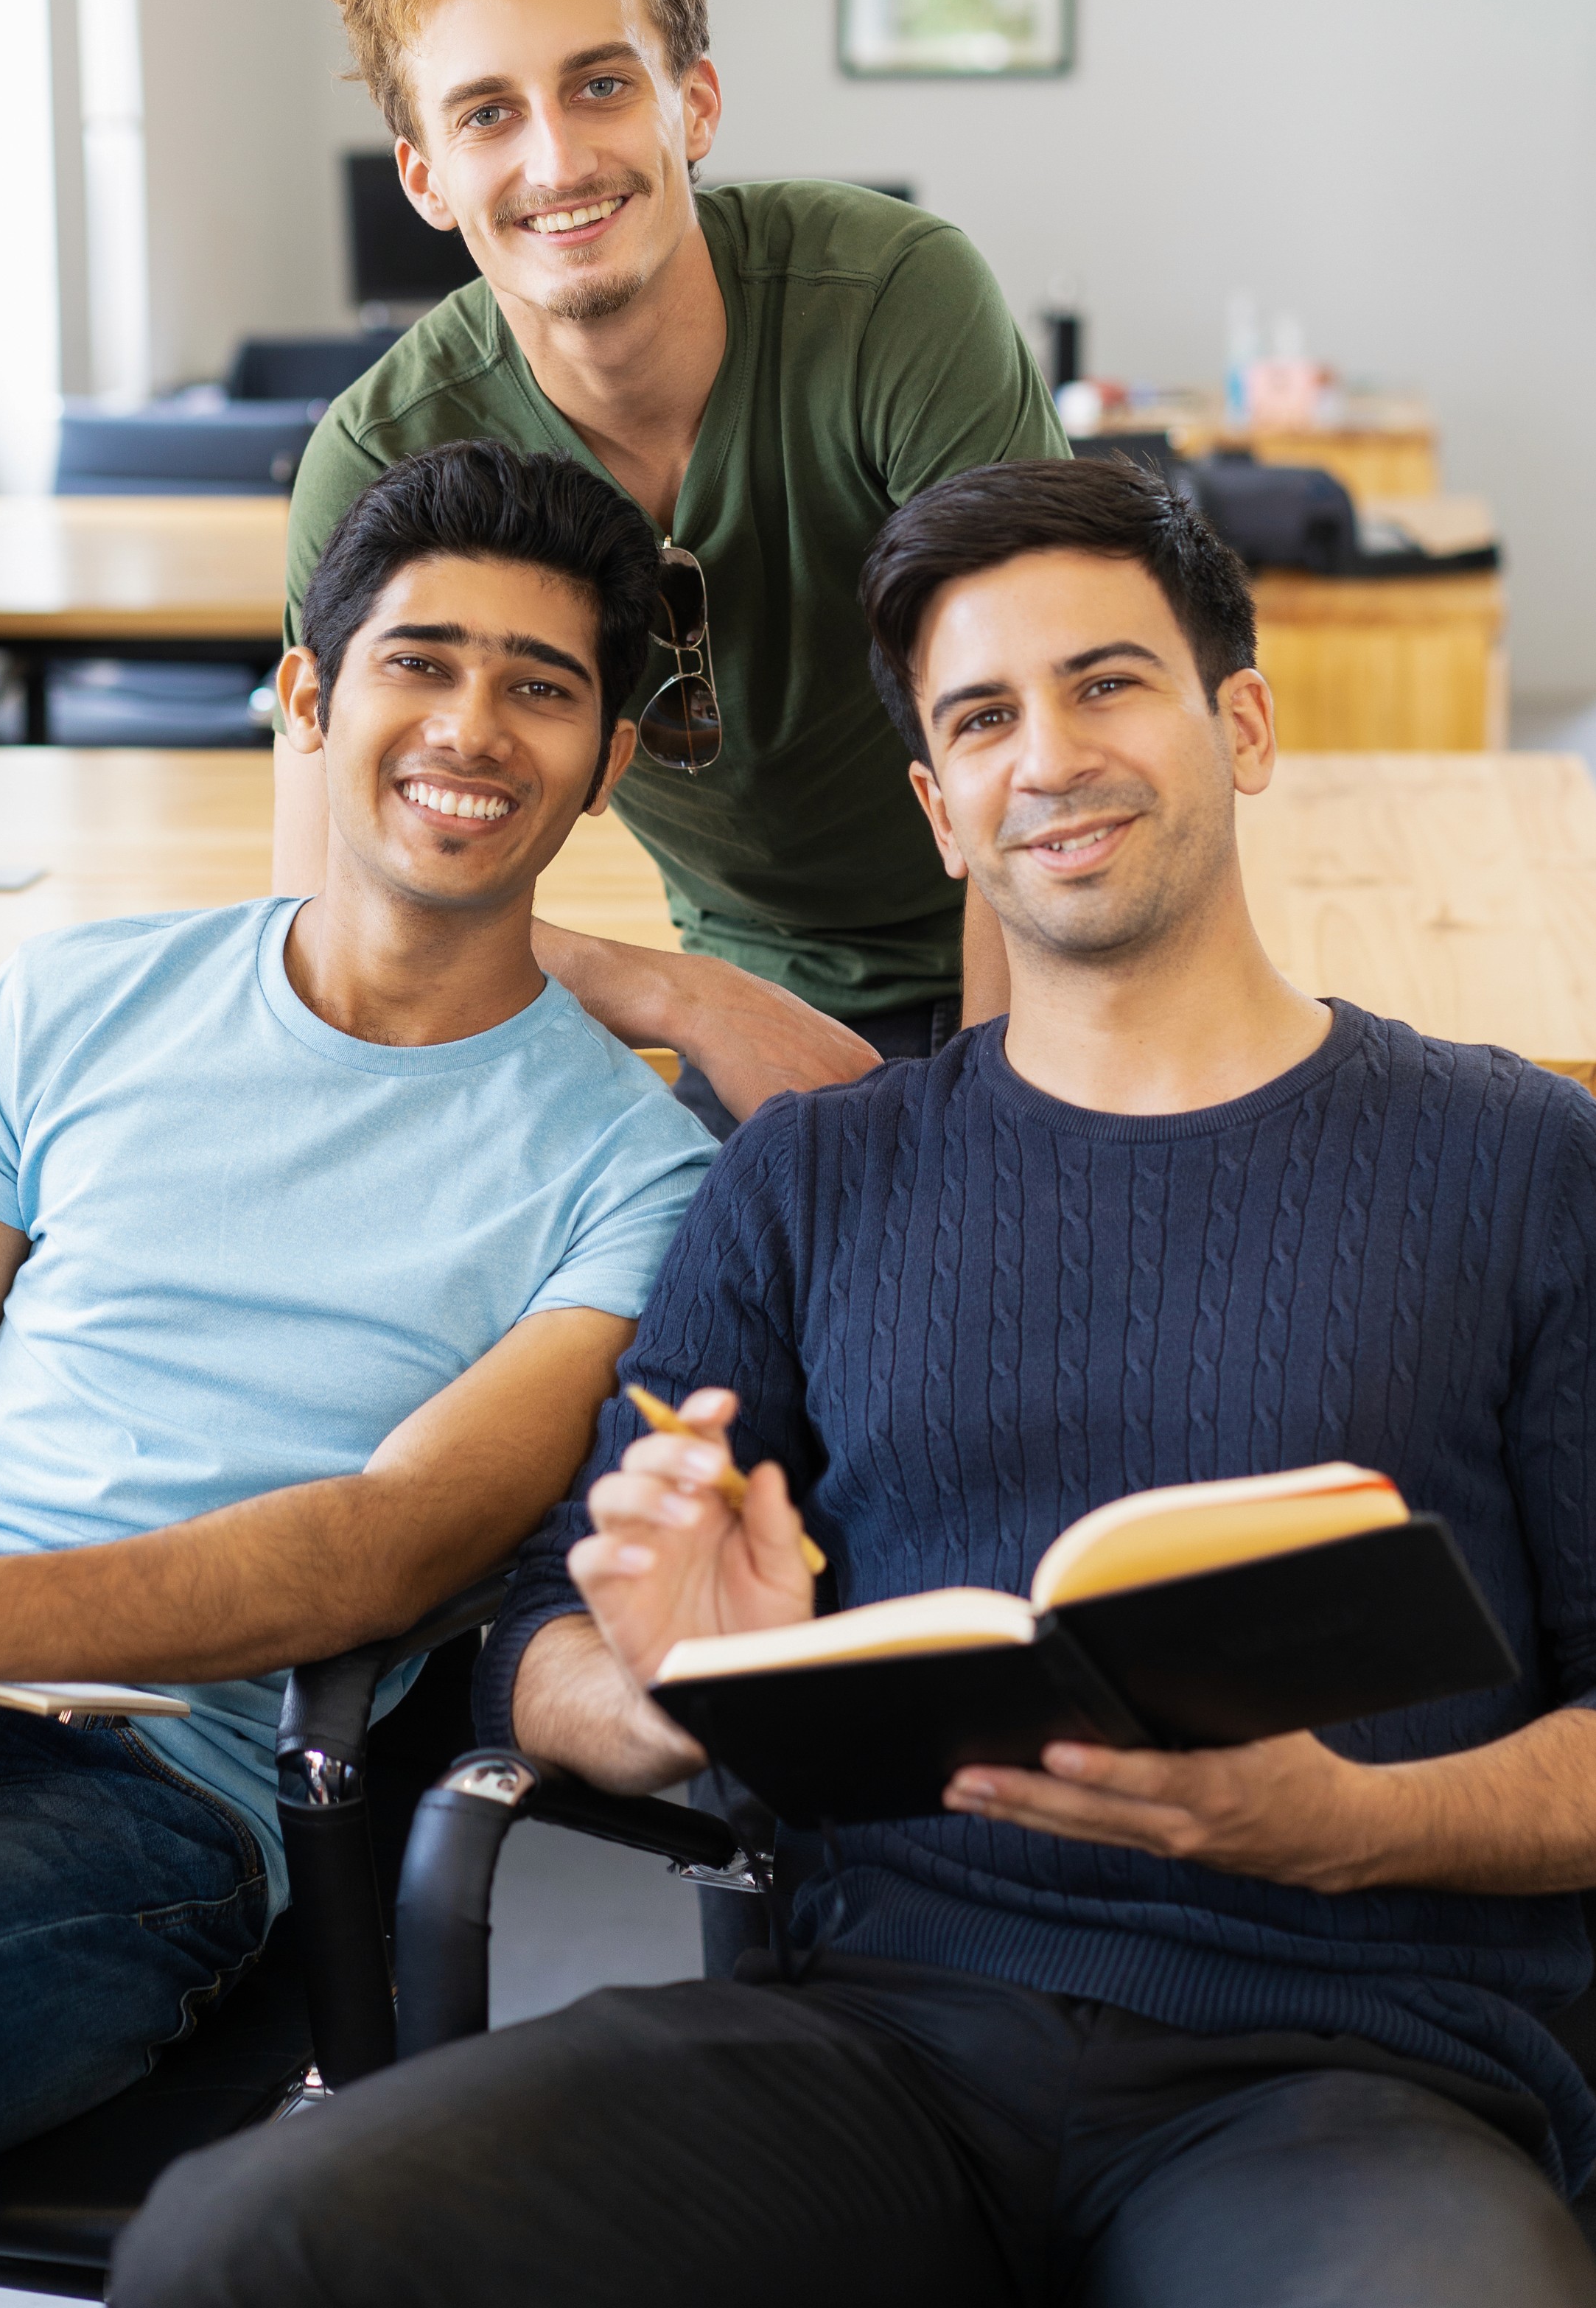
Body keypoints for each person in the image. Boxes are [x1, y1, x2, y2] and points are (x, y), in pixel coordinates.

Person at [113, 457, 1596, 2308]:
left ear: (1244, 723)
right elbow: (535, 1654)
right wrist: (657, 1683)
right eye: (982, 718)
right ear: (940, 807)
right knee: (249, 2239)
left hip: (1351, 2070)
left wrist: (1351, 1823)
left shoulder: (1526, 1162)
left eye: (1107, 683)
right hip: (880, 2038)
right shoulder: (815, 1178)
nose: (1046, 755)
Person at [0, 443, 715, 2308]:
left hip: (148, 1800)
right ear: (304, 691)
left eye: (543, 684)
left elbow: (389, 1542)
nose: (473, 724)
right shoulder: (76, 993)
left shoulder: (633, 1172)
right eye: (419, 661)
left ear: (601, 760)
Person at [281, 0, 1067, 1136]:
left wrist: (987, 1137)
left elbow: (1030, 741)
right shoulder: (385, 452)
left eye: (601, 85)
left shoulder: (894, 301)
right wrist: (679, 996)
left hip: (1060, 924)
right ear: (424, 176)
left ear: (693, 107)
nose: (558, 160)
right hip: (753, 983)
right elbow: (323, 904)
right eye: (486, 114)